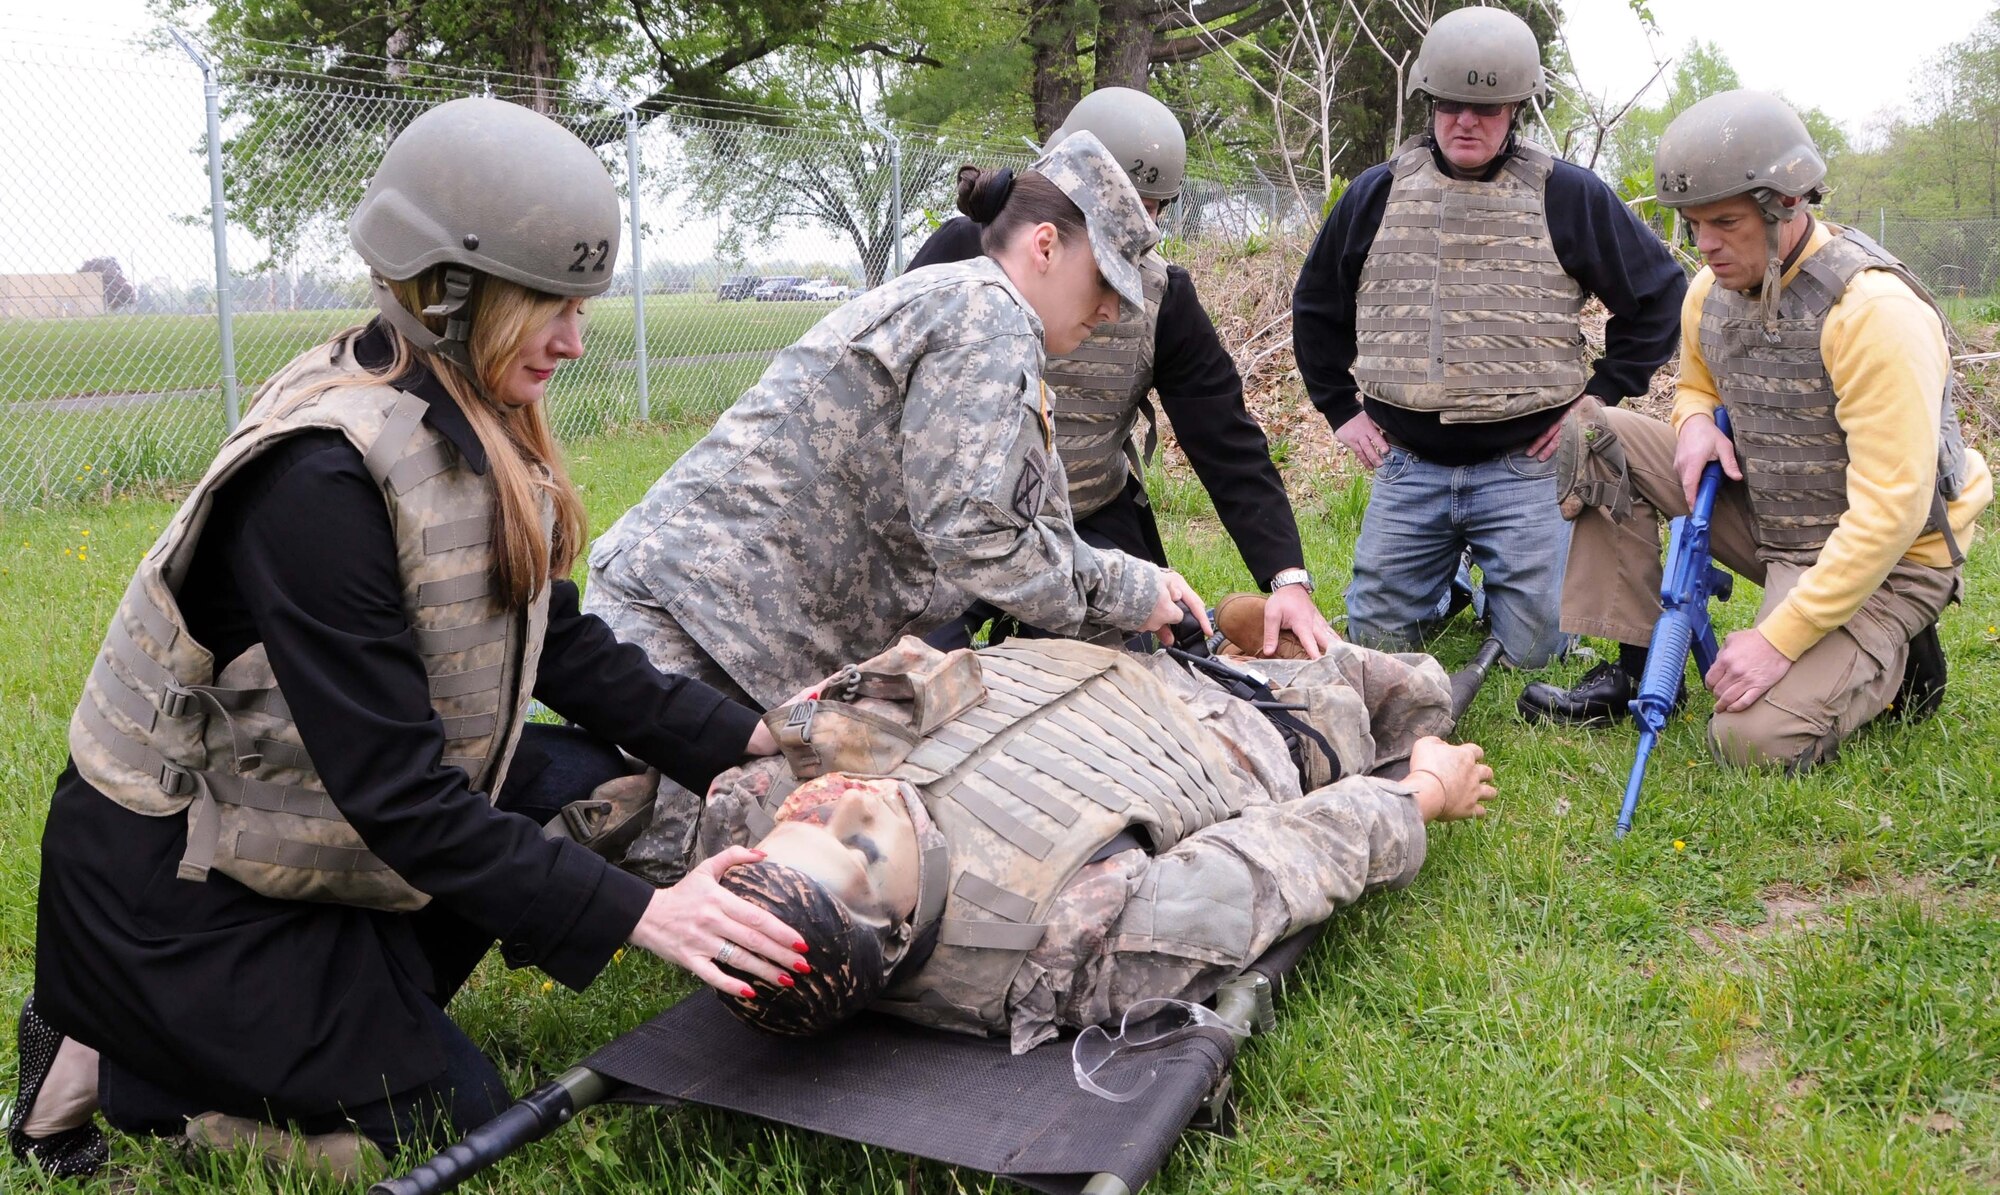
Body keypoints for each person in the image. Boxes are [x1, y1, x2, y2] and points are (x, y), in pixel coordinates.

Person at [7, 97, 809, 1181]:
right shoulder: (320, 479)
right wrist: (646, 915)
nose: (574, 343)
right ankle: (127, 1061)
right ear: (449, 291)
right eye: (550, 306)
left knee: (584, 777)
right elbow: (398, 794)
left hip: (286, 840)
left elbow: (549, 634)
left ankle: (324, 1002)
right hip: (178, 890)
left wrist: (753, 739)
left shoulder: (458, 407)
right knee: (443, 1119)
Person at [585, 132, 1210, 719]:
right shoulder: (987, 317)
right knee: (705, 834)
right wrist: (1129, 590)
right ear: (1045, 246)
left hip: (718, 627)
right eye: (1104, 280)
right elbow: (973, 534)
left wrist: (1137, 585)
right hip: (685, 631)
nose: (1110, 310)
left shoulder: (973, 308)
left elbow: (1019, 524)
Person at [691, 614, 1494, 1052]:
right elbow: (1282, 863)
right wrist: (1422, 792)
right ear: (897, 932)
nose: (850, 805)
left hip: (1078, 656)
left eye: (811, 816)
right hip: (1230, 727)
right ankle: (1245, 651)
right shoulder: (1066, 949)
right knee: (1406, 692)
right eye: (861, 853)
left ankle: (1225, 631)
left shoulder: (754, 805)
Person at [1517, 91, 1992, 769]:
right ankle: (1635, 669)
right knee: (1597, 434)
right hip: (1777, 512)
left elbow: (1893, 510)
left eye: (1726, 222)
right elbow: (1696, 384)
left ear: (1788, 205)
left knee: (1747, 740)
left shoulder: (1872, 313)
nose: (1705, 245)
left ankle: (1898, 659)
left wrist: (1778, 640)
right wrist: (1691, 425)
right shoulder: (1709, 290)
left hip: (1891, 555)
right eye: (1691, 224)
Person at [1291, 6, 1685, 668]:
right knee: (1378, 644)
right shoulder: (1376, 194)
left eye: (1487, 106)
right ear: (1429, 105)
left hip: (1526, 467)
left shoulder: (1568, 196)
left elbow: (1659, 296)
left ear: (1515, 111)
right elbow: (1316, 304)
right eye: (1451, 105)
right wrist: (1340, 409)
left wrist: (1600, 395)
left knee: (1537, 652)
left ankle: (1501, 586)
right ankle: (1443, 584)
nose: (1466, 121)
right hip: (1408, 463)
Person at [907, 87, 1336, 658]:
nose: (1130, 223)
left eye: (1150, 206)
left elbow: (1223, 436)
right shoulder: (969, 251)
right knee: (912, 673)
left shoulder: (1163, 296)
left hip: (1083, 514)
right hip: (951, 526)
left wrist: (1287, 577)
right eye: (1113, 199)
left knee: (1148, 661)